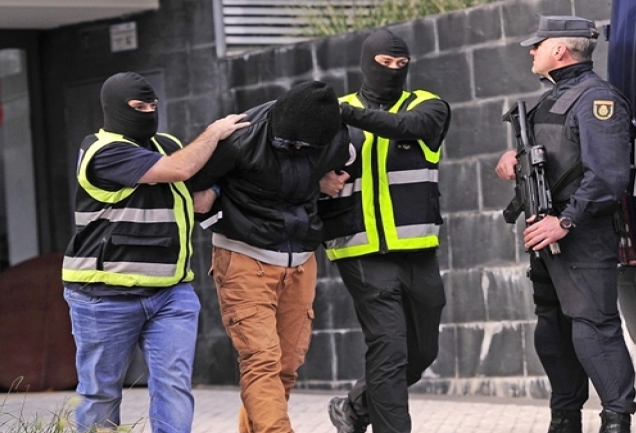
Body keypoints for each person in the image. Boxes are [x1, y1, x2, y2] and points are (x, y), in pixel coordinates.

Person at [61, 71, 248, 433]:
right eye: (138, 107)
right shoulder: (102, 151)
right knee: (100, 395)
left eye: (153, 105)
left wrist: (219, 183)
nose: (148, 112)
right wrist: (214, 132)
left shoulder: (164, 143)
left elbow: (192, 198)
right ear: (114, 109)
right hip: (105, 295)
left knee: (174, 388)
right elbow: (181, 168)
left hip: (171, 293)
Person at [494, 16, 636, 433]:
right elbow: (555, 158)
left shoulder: (596, 100)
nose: (531, 51)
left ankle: (616, 420)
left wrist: (567, 221)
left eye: (538, 45)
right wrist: (514, 162)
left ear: (560, 49)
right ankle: (564, 420)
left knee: (594, 329)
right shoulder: (555, 98)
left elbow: (608, 177)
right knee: (553, 331)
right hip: (546, 232)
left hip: (581, 235)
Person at [189, 80, 349, 433]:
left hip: (300, 261)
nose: (295, 150)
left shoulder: (337, 138)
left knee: (286, 367)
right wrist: (220, 219)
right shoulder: (241, 136)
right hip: (244, 259)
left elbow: (342, 169)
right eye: (289, 144)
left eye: (305, 148)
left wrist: (321, 180)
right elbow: (195, 188)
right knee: (261, 360)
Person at [319, 29, 451, 433]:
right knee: (390, 349)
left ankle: (355, 408)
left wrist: (348, 116)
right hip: (360, 253)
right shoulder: (332, 112)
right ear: (366, 63)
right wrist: (318, 181)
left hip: (417, 251)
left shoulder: (428, 106)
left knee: (421, 353)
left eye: (401, 64)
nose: (393, 71)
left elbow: (405, 126)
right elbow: (296, 164)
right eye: (384, 63)